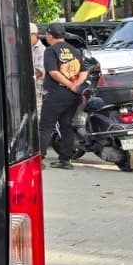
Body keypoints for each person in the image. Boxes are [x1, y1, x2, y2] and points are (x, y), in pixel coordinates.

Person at [38, 21, 87, 169]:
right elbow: (84, 71)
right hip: (73, 96)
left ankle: (39, 160)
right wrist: (76, 85)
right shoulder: (74, 50)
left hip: (56, 94)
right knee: (66, 126)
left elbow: (53, 72)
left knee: (45, 127)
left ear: (50, 36)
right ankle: (65, 161)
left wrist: (69, 84)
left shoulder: (51, 50)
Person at [29, 23, 45, 99]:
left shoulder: (41, 49)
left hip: (38, 90)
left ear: (35, 34)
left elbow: (39, 71)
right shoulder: (28, 47)